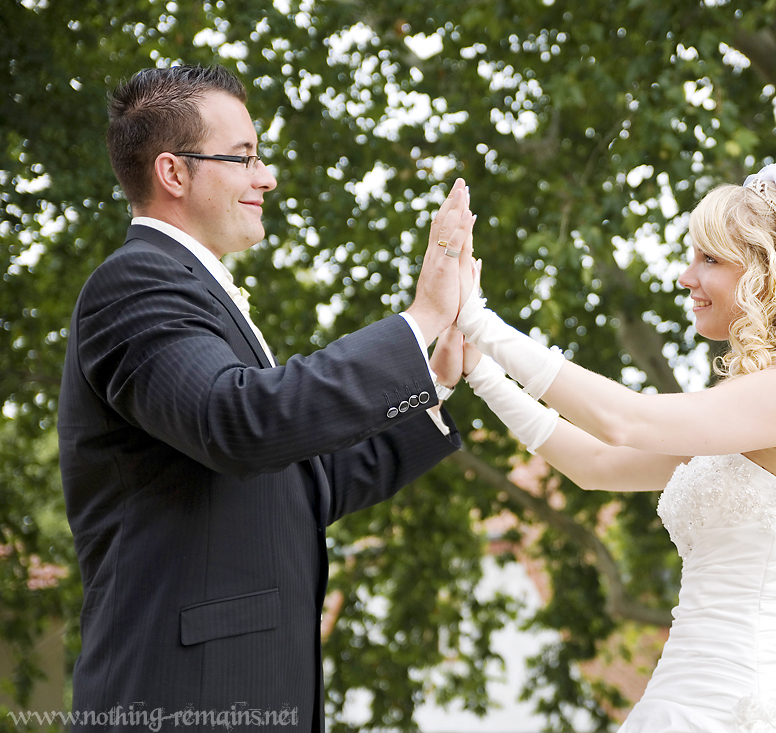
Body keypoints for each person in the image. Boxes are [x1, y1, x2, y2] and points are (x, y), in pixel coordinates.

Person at [454, 159, 776, 733]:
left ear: (767, 273)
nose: (686, 277)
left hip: (749, 709)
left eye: (708, 258)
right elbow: (597, 464)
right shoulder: (748, 412)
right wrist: (481, 373)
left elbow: (624, 420)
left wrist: (480, 321)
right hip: (677, 700)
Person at [58, 64, 472, 731]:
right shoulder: (134, 283)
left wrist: (436, 375)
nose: (267, 176)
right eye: (244, 156)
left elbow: (304, 487)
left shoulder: (197, 294)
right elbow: (242, 421)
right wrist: (418, 320)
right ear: (173, 172)